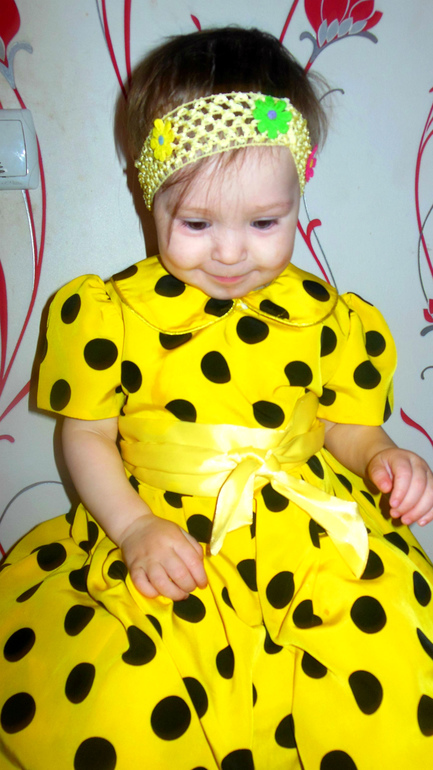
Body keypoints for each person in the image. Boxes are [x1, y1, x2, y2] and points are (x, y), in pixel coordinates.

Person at [1, 26, 433, 770]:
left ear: (297, 196)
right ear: (150, 198)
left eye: (264, 223)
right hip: (165, 535)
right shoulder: (110, 314)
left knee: (383, 664)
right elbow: (87, 436)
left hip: (307, 538)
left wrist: (383, 457)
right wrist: (133, 528)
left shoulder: (329, 317)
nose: (231, 252)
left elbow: (347, 427)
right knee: (133, 695)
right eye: (197, 223)